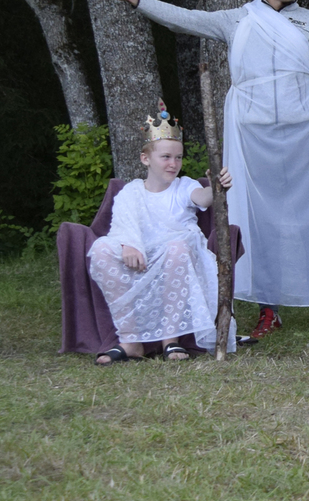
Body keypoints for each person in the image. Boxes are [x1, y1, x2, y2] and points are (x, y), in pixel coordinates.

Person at [96, 0, 309, 337]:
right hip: (253, 138)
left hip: (306, 135)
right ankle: (269, 308)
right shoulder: (239, 19)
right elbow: (185, 19)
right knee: (260, 223)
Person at [87, 106, 234, 364]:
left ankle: (170, 339)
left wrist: (215, 186)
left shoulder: (183, 186)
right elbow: (122, 226)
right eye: (166, 157)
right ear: (146, 159)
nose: (173, 164)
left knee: (177, 247)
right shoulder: (131, 192)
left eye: (178, 158)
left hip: (177, 255)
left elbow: (203, 198)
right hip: (143, 254)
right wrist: (128, 244)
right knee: (101, 249)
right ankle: (130, 341)